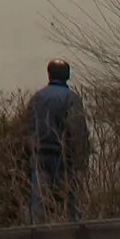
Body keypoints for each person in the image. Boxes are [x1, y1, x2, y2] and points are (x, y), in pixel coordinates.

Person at [25, 58, 90, 220]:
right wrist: (81, 162)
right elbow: (77, 131)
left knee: (39, 206)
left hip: (40, 157)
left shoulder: (37, 98)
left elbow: (27, 129)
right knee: (72, 206)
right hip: (64, 158)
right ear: (68, 75)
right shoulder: (71, 98)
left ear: (49, 75)